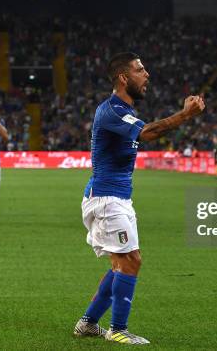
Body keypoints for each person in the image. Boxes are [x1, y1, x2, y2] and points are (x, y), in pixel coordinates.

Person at [73, 52, 205, 344]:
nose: (147, 75)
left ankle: (89, 323)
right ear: (123, 77)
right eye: (140, 70)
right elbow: (148, 132)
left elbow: (146, 131)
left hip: (117, 197)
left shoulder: (124, 112)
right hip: (107, 199)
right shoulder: (111, 110)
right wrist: (185, 115)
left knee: (125, 261)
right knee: (131, 261)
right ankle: (118, 330)